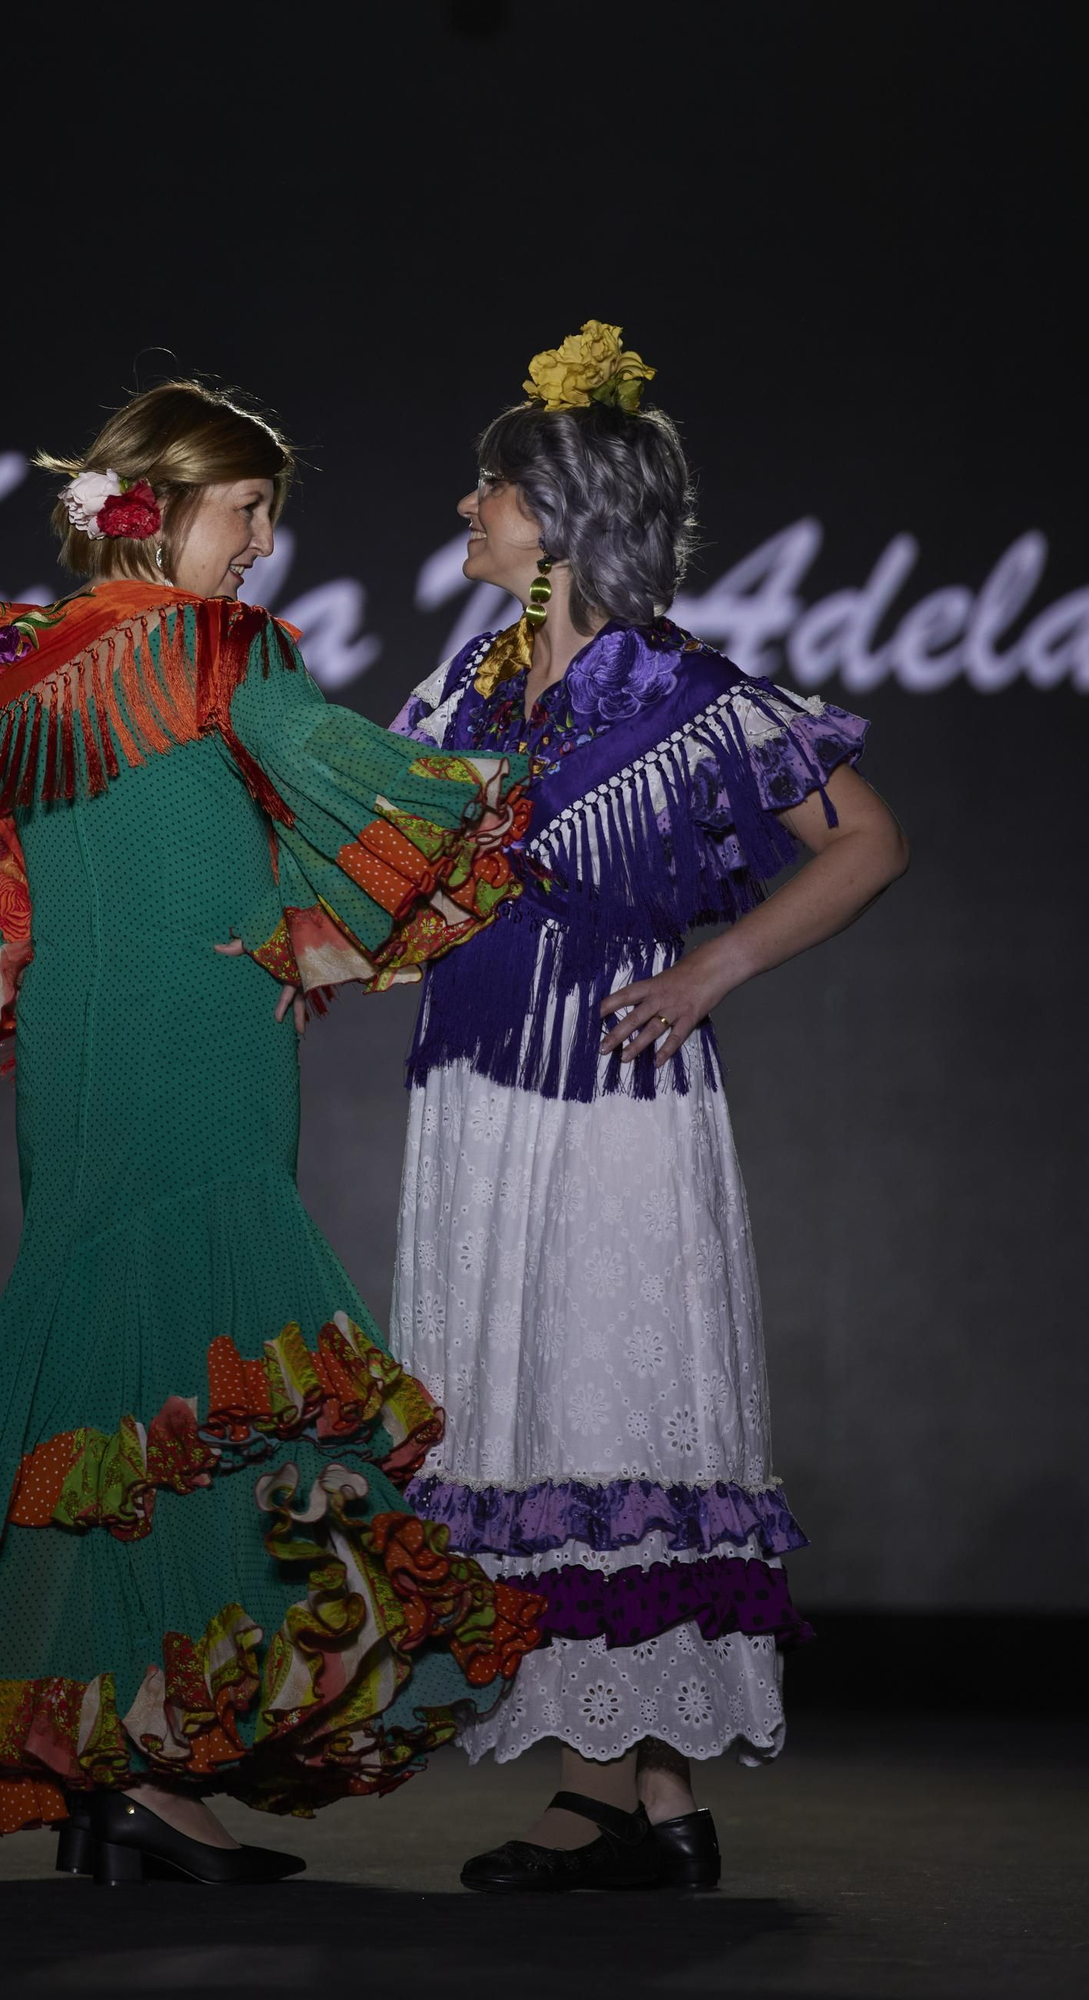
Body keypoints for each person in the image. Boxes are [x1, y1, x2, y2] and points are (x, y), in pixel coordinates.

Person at [0, 380, 542, 1887]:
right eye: (246, 510)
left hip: (81, 1046)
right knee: (187, 1379)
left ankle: (117, 1768)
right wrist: (518, 785)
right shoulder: (217, 648)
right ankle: (140, 1771)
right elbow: (342, 781)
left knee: (122, 1393)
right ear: (163, 504)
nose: (262, 543)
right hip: (198, 1041)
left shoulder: (26, 658)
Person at [388, 324, 909, 1893]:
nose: (469, 508)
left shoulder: (687, 695)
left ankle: (616, 1798)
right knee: (531, 1419)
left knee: (602, 1416)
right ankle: (647, 1801)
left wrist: (714, 967)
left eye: (492, 489)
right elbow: (386, 867)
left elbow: (868, 838)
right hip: (479, 1099)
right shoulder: (466, 690)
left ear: (556, 519)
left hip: (608, 1104)